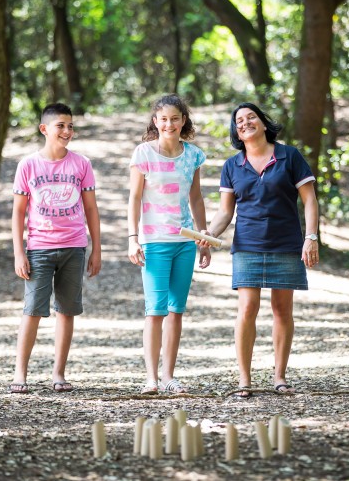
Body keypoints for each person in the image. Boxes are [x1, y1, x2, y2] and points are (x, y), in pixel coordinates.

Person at [200, 102, 319, 398]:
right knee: (247, 309)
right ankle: (244, 379)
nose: (245, 123)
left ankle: (279, 377)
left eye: (251, 117)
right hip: (247, 245)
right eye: (239, 121)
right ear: (236, 132)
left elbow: (310, 201)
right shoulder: (231, 166)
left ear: (264, 124)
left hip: (286, 243)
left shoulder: (289, 156)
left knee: (282, 311)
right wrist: (210, 234)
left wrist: (312, 237)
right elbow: (225, 212)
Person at [8, 103, 102, 394]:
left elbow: (91, 208)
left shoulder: (81, 164)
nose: (67, 131)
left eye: (70, 126)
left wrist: (96, 248)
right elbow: (18, 213)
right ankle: (19, 375)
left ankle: (58, 374)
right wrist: (19, 252)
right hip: (39, 249)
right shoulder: (28, 165)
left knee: (66, 311)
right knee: (33, 311)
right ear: (44, 129)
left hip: (74, 247)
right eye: (60, 125)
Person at [127, 94, 211, 395]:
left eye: (175, 118)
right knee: (155, 310)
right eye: (163, 119)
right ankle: (151, 378)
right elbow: (134, 198)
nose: (169, 124)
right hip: (153, 242)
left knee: (176, 310)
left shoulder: (193, 155)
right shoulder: (143, 154)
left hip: (185, 242)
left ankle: (168, 376)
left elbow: (196, 198)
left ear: (183, 121)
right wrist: (132, 238)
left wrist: (203, 236)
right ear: (155, 122)